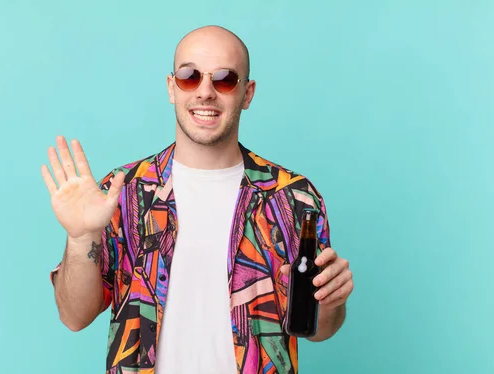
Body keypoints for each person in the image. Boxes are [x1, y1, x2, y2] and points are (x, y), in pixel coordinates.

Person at [41, 25, 354, 374]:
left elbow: (319, 328)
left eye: (225, 79)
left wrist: (333, 301)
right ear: (171, 87)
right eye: (189, 76)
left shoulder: (293, 198)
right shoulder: (123, 191)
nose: (205, 92)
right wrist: (81, 237)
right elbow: (74, 316)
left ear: (247, 94)